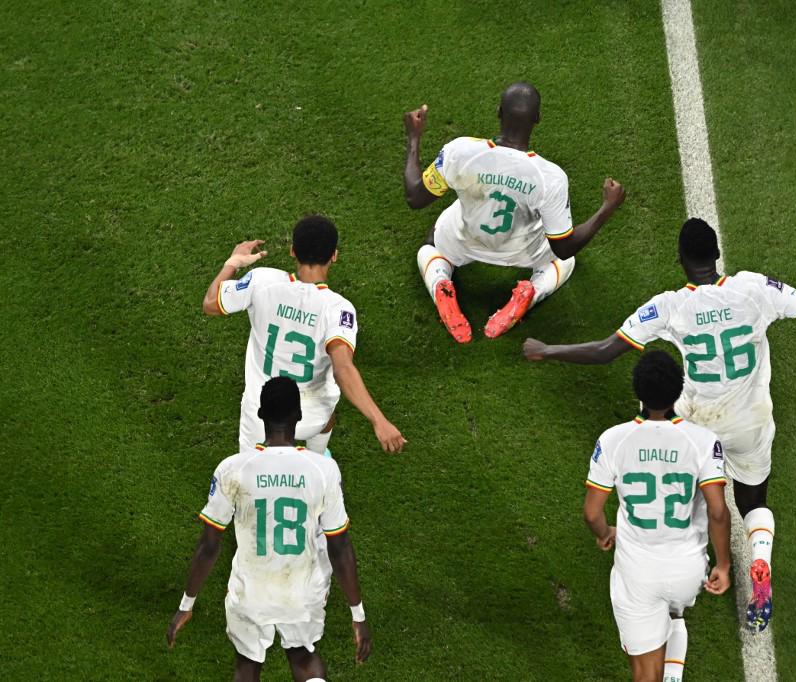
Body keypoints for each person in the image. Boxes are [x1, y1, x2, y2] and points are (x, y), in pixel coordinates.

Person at [526, 218, 796, 632]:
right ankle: (758, 558)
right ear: (717, 255)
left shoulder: (672, 305)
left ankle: (673, 587)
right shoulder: (753, 288)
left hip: (698, 429)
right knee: (752, 502)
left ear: (680, 260)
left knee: (693, 498)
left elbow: (605, 351)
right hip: (752, 421)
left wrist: (548, 349)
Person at [166, 377, 371, 681]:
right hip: (302, 591)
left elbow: (208, 546)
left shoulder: (232, 468)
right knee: (303, 656)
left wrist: (186, 604)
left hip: (252, 592)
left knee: (247, 665)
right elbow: (339, 546)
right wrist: (358, 615)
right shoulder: (323, 470)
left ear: (260, 415)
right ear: (298, 416)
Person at [402, 81, 626, 343]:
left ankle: (440, 282)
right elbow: (565, 248)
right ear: (538, 119)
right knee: (565, 261)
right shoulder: (550, 177)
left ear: (498, 111)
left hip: (464, 240)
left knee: (430, 248)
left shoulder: (460, 151)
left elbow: (415, 197)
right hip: (522, 251)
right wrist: (606, 208)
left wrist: (414, 138)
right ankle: (529, 292)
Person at [201, 215, 405, 455]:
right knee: (327, 410)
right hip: (312, 416)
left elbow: (210, 303)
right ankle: (318, 456)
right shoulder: (338, 308)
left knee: (249, 464)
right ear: (334, 256)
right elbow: (343, 368)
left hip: (261, 414)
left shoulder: (262, 281)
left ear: (292, 251)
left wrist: (233, 262)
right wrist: (379, 420)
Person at [584, 351, 731, 682]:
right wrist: (722, 565)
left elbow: (592, 512)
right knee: (674, 608)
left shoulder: (613, 440)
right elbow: (718, 511)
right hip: (687, 572)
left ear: (638, 393)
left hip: (637, 575)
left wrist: (605, 531)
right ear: (678, 391)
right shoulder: (703, 442)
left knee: (644, 671)